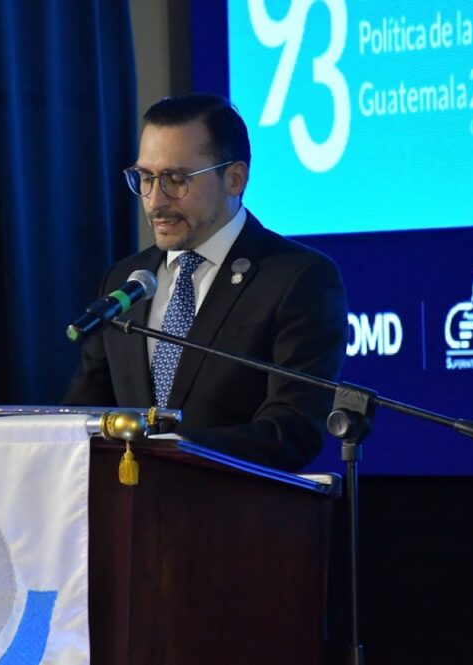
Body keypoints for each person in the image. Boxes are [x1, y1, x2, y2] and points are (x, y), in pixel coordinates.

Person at [63, 93, 347, 471]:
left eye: (176, 180)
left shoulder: (297, 278)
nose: (155, 201)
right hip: (127, 502)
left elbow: (293, 429)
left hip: (230, 503)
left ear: (234, 179)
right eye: (145, 178)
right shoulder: (125, 282)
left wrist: (173, 449)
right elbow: (84, 415)